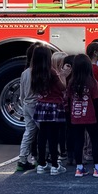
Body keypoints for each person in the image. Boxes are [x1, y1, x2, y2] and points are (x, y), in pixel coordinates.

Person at [66, 54, 98, 178]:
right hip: (90, 116)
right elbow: (96, 101)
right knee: (95, 140)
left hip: (75, 116)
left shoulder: (71, 82)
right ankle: (97, 167)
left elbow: (69, 100)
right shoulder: (91, 81)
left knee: (78, 142)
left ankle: (79, 168)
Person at [30, 47, 67, 175]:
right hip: (54, 106)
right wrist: (63, 76)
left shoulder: (34, 71)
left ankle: (41, 163)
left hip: (42, 105)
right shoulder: (51, 72)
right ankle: (55, 165)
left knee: (42, 135)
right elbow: (62, 88)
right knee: (53, 136)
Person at [15, 43, 40, 172]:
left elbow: (22, 93)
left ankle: (22, 160)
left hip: (26, 104)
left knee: (29, 132)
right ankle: (41, 159)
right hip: (37, 105)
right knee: (44, 132)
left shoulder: (25, 72)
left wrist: (24, 101)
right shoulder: (40, 72)